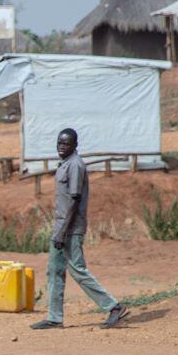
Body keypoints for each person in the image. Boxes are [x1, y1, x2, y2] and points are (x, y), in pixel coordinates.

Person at [32, 129, 129, 330]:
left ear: (75, 145)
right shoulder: (64, 163)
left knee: (78, 269)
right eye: (59, 143)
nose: (61, 147)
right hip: (60, 226)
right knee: (54, 271)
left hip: (70, 228)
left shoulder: (75, 165)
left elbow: (75, 201)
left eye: (66, 144)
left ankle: (113, 307)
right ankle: (54, 317)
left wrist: (62, 232)